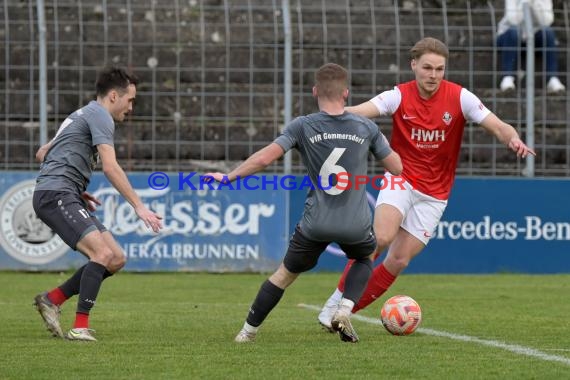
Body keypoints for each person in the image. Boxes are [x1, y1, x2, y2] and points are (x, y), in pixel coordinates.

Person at [317, 37, 535, 330]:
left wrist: (513, 138)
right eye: (427, 68)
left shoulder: (460, 98)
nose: (433, 75)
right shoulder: (399, 95)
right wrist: (333, 115)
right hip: (401, 179)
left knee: (399, 259)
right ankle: (336, 304)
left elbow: (497, 125)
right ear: (414, 65)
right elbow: (364, 110)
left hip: (435, 194)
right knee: (381, 237)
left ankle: (343, 314)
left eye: (440, 69)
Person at [205, 63, 403, 343]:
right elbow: (396, 167)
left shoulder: (302, 125)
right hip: (354, 224)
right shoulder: (366, 127)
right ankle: (344, 308)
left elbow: (264, 159)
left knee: (284, 274)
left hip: (315, 223)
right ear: (346, 93)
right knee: (363, 257)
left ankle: (247, 332)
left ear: (315, 92)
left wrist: (230, 177)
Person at [32, 66, 163, 342]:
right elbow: (111, 167)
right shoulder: (101, 116)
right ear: (113, 96)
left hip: (63, 191)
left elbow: (42, 153)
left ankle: (51, 299)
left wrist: (75, 186)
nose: (131, 107)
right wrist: (139, 206)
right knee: (101, 254)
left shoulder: (81, 114)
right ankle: (80, 327)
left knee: (115, 258)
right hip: (56, 193)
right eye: (130, 100)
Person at [497, 0, 566, 93]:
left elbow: (546, 22)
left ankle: (552, 79)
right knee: (513, 31)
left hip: (534, 36)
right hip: (509, 37)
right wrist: (523, 4)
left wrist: (534, 4)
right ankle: (507, 77)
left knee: (548, 33)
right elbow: (513, 20)